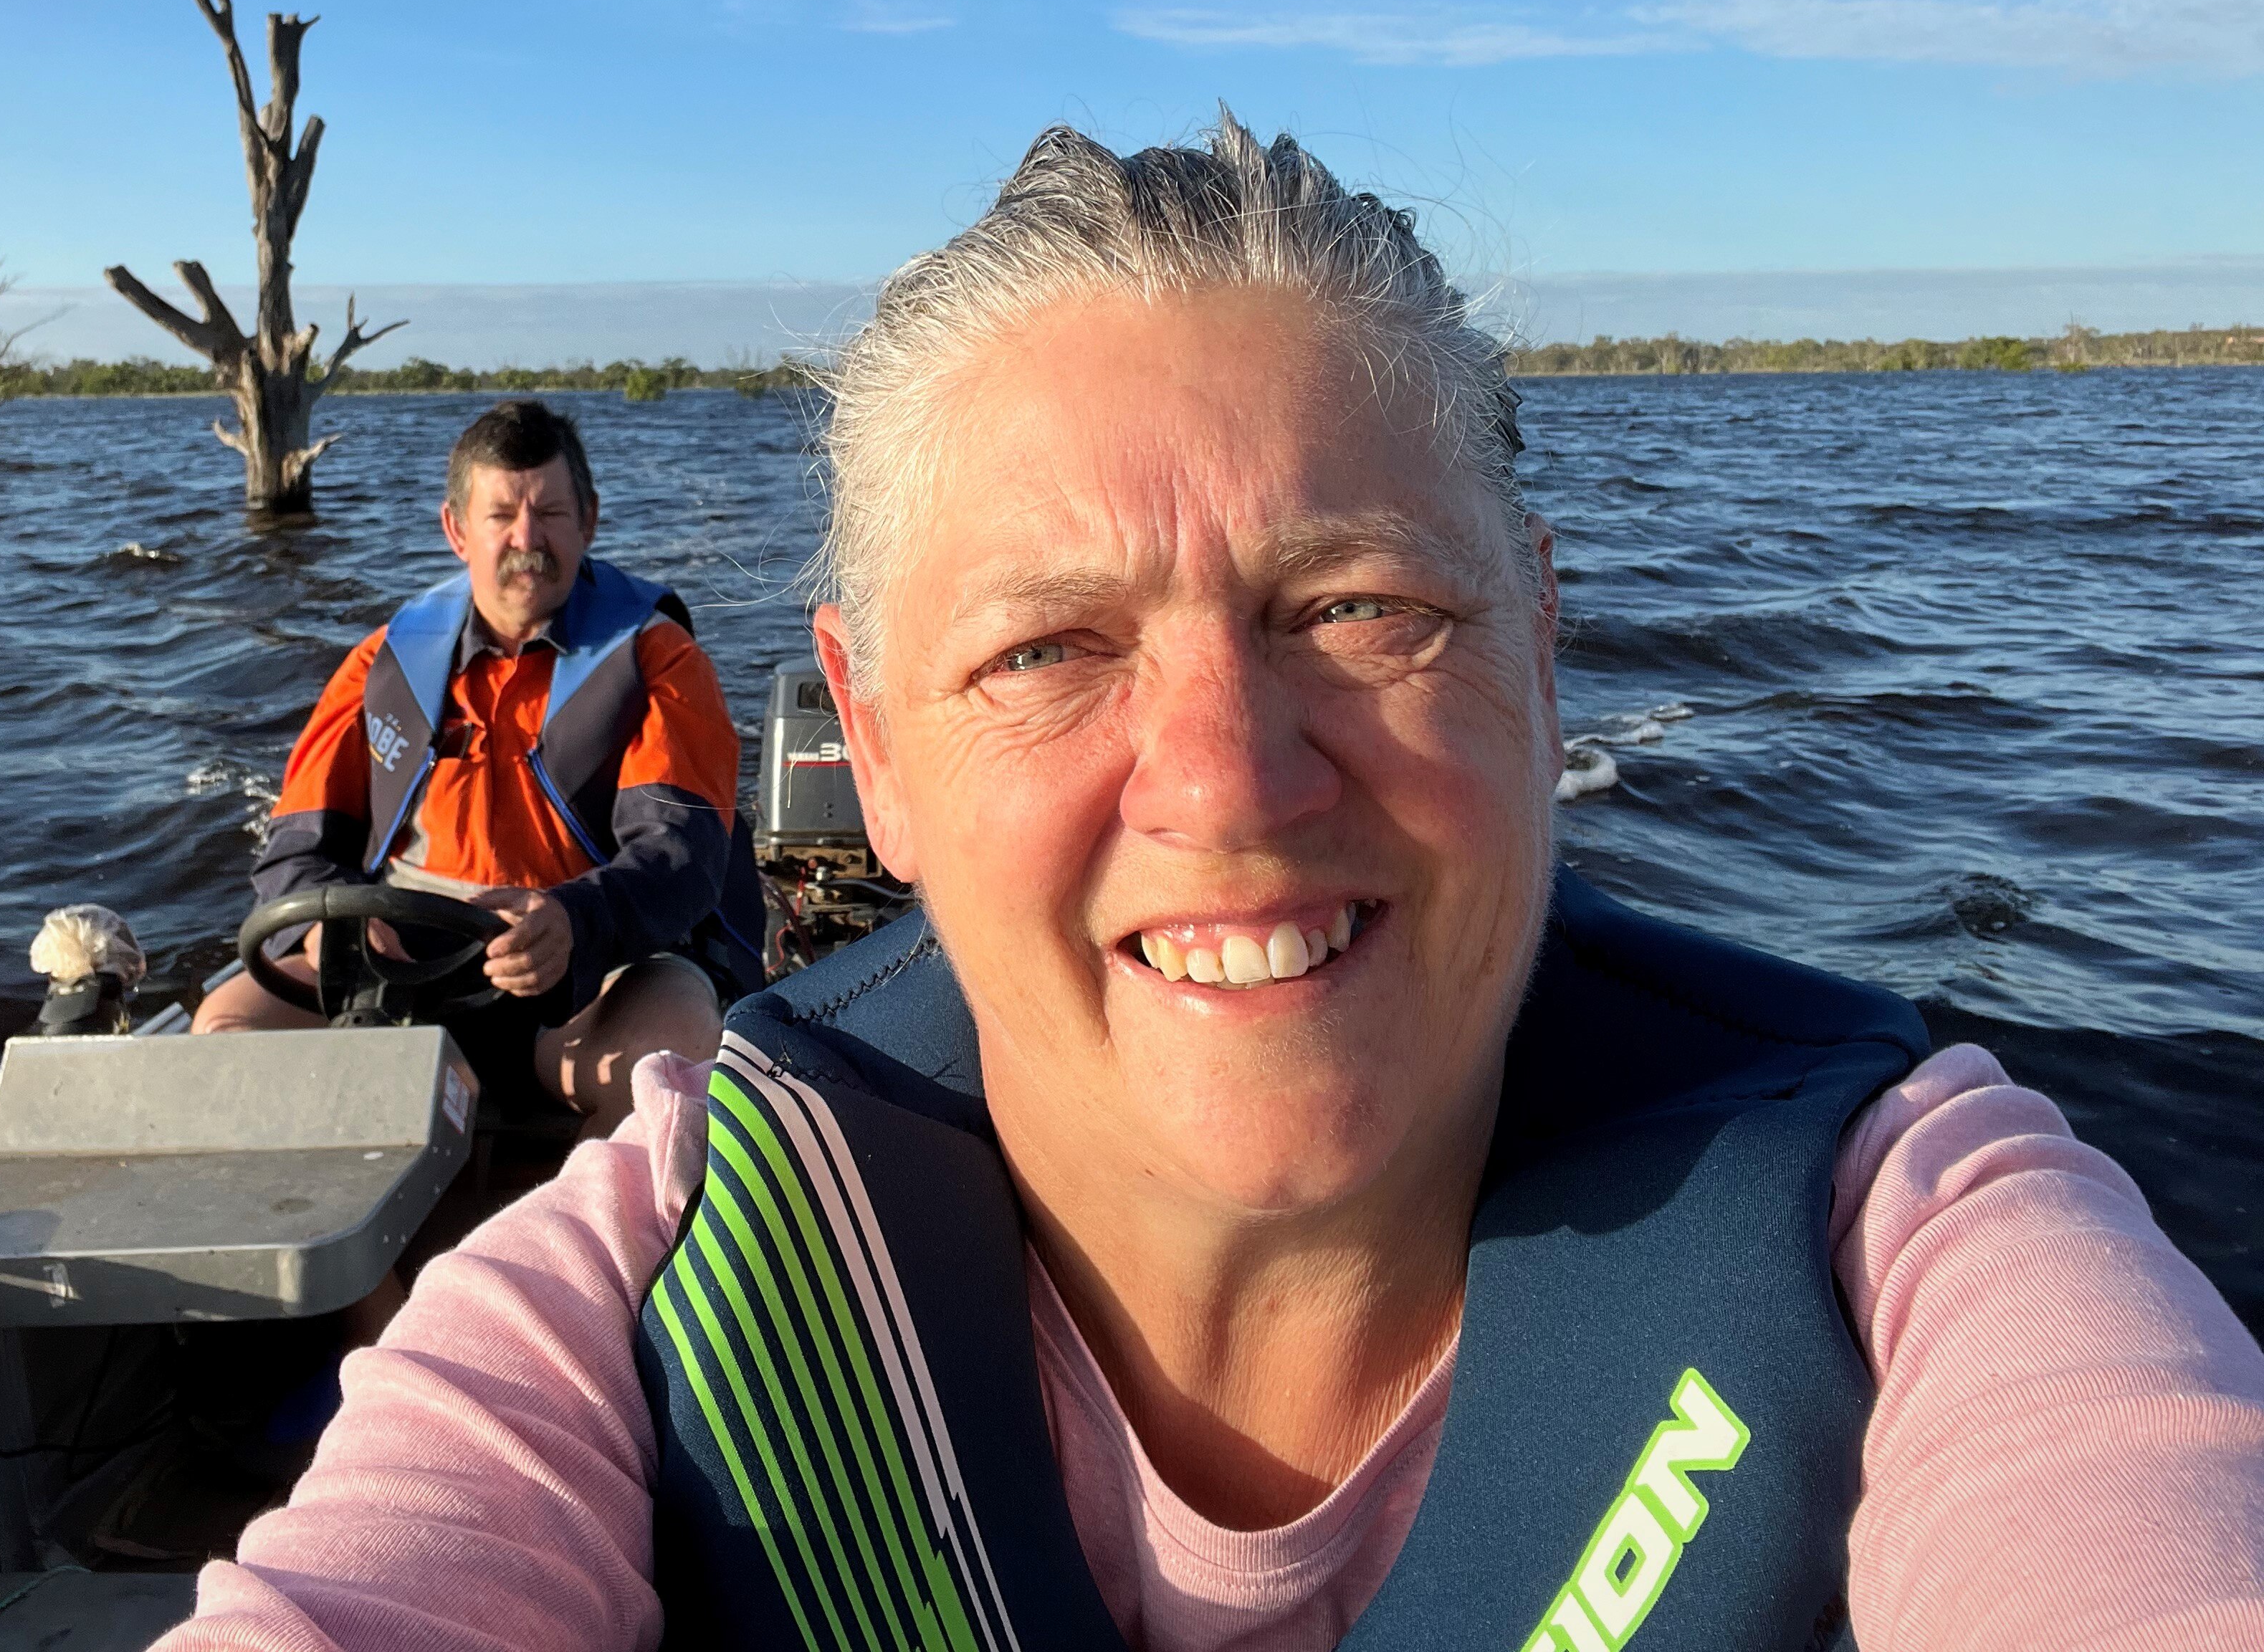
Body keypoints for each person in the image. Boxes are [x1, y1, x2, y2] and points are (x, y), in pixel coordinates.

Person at [159, 118, 2264, 1651]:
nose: (1230, 781)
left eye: (1356, 607)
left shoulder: (1908, 1232)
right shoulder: (650, 1278)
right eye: (1048, 648)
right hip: (437, 955)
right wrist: (309, 920)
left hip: (595, 960)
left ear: (1540, 652)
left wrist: (593, 931)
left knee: (651, 1036)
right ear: (876, 752)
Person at [193, 399, 759, 1141]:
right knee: (223, 1027)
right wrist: (333, 935)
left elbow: (678, 860)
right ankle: (356, 1257)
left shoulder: (661, 660)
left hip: (591, 975)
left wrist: (576, 921)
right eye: (501, 516)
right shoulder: (383, 661)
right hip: (399, 968)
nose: (528, 539)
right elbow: (297, 852)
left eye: (551, 512)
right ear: (457, 530)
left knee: (671, 1060)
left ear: (589, 520)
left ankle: (589, 1253)